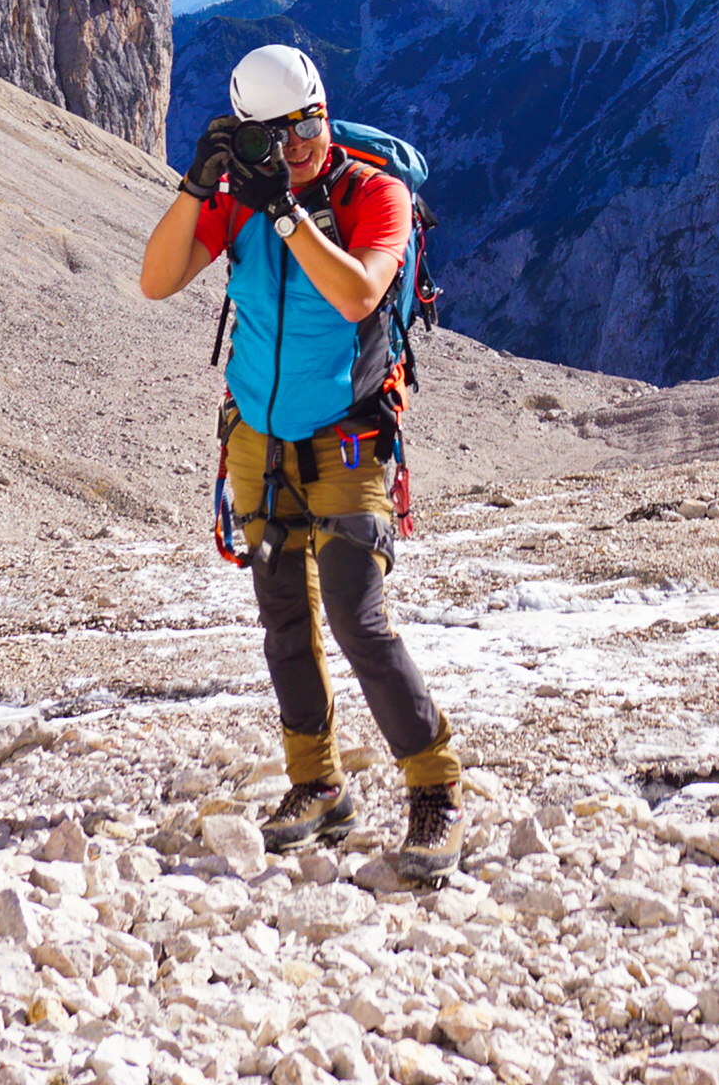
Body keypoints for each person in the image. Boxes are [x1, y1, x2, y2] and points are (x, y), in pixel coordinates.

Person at [138, 43, 464, 881]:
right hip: (257, 434)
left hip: (349, 434)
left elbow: (360, 291)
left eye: (310, 128)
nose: (301, 149)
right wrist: (197, 187)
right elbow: (157, 280)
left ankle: (435, 789)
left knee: (358, 617)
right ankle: (315, 785)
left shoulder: (374, 193)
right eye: (277, 138)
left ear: (326, 113)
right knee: (282, 614)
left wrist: (286, 210)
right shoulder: (236, 201)